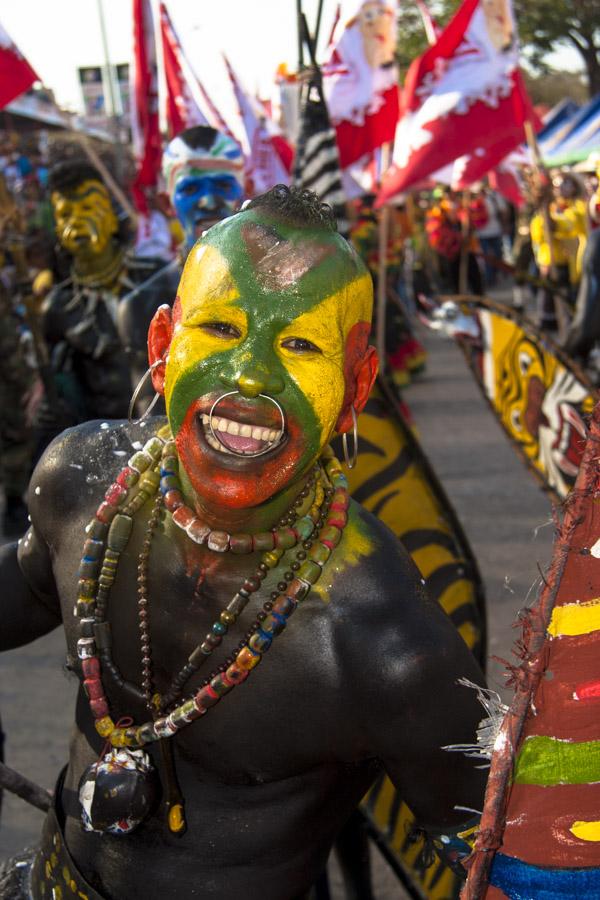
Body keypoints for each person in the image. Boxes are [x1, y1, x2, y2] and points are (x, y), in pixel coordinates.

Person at [0, 186, 486, 899]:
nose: (251, 375)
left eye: (299, 344)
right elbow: (24, 591)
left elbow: (510, 859)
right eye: (223, 330)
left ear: (355, 388)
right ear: (163, 347)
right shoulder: (79, 486)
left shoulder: (382, 639)